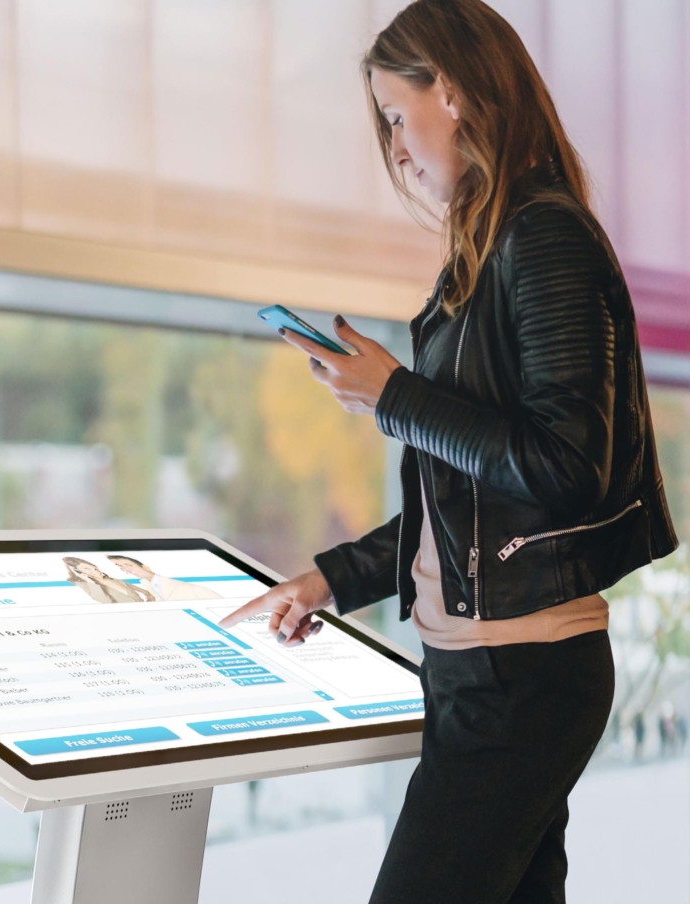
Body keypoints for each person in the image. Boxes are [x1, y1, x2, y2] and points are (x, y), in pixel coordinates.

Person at [220, 2, 678, 901]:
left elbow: (565, 467)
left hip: (522, 670)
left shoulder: (542, 236)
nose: (394, 148)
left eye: (398, 116)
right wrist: (329, 581)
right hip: (485, 670)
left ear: (457, 91)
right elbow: (466, 506)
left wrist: (395, 396)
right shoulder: (488, 251)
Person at [106, 555, 223, 601]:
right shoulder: (148, 588)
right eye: (121, 567)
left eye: (129, 565)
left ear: (145, 567)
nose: (127, 570)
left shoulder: (193, 588)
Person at [62, 556, 154, 604]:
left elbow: (146, 593)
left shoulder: (114, 579)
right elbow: (106, 602)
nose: (94, 571)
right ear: (77, 571)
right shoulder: (89, 585)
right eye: (87, 569)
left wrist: (149, 603)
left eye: (93, 567)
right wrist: (90, 581)